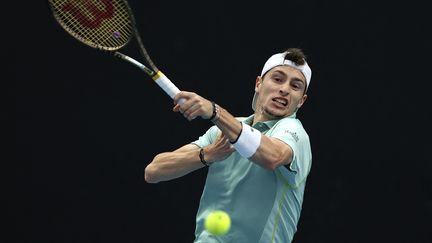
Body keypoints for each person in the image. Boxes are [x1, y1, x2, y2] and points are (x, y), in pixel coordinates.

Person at [145, 48, 313, 243]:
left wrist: (215, 112)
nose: (284, 89)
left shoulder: (293, 132)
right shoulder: (222, 132)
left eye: (295, 86)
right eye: (277, 79)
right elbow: (153, 171)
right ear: (258, 84)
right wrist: (208, 154)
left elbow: (273, 156)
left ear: (301, 101)